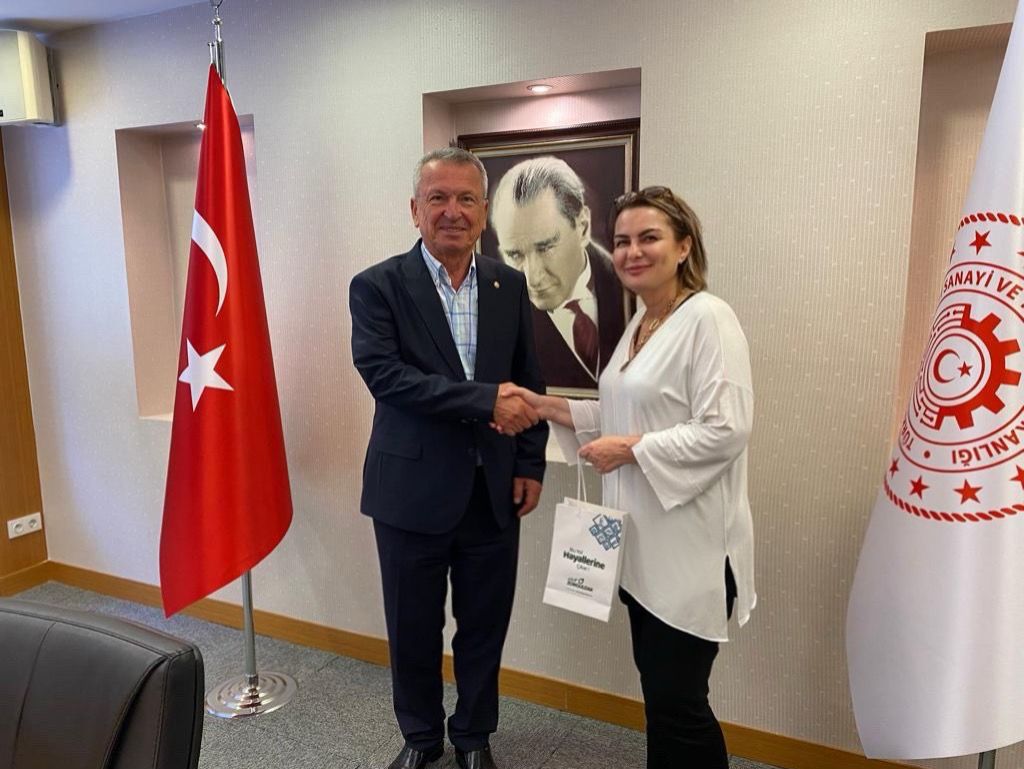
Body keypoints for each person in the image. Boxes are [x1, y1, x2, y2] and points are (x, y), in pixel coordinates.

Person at [504, 186, 754, 769]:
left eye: (649, 238)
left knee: (681, 705)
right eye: (621, 241)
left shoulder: (708, 319)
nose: (632, 252)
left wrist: (633, 449)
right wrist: (545, 406)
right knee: (663, 700)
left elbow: (727, 429)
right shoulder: (646, 320)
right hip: (643, 547)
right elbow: (621, 414)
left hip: (690, 553)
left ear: (684, 246)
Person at [349, 147, 549, 769]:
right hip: (409, 493)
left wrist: (530, 464)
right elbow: (387, 378)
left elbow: (528, 379)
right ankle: (420, 736)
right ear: (415, 210)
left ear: (484, 212)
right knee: (412, 628)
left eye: (466, 199)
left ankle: (473, 736)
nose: (452, 211)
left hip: (493, 491)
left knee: (484, 626)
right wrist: (484, 400)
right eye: (438, 198)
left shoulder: (508, 285)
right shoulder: (377, 286)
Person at [490, 156, 627, 390]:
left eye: (546, 247)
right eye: (515, 255)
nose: (532, 277)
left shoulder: (636, 290)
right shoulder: (497, 320)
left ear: (583, 227)